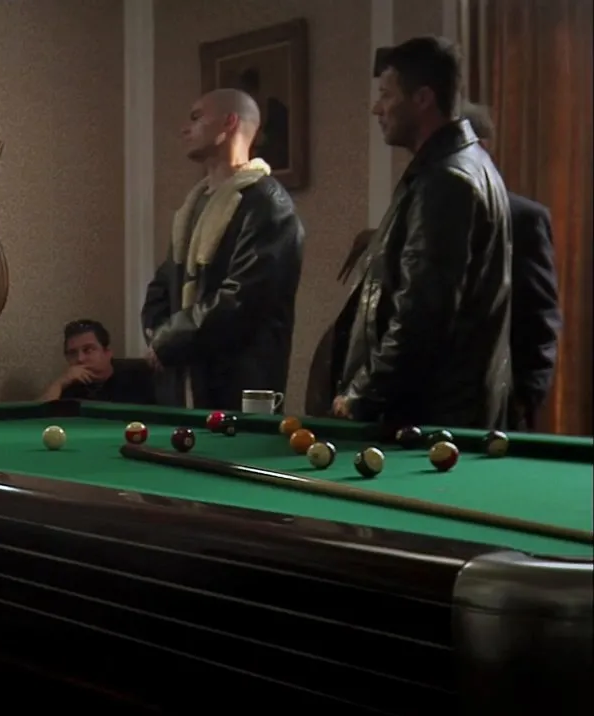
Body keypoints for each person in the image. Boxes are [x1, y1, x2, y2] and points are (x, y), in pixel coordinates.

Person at [331, 37, 511, 429]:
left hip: (429, 421)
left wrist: (363, 394)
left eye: (386, 95)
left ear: (423, 98)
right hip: (441, 415)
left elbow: (422, 311)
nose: (377, 108)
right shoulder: (463, 166)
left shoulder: (447, 179)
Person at [140, 88, 304, 411]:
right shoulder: (193, 207)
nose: (185, 128)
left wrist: (170, 340)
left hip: (239, 387)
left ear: (229, 123)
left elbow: (242, 298)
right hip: (185, 383)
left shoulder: (268, 204)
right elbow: (163, 286)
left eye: (196, 117)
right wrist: (158, 336)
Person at [460, 102, 562, 431]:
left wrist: (524, 398)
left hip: (498, 405)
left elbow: (539, 319)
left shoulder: (523, 218)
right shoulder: (423, 215)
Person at [39, 320, 156, 404]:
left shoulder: (138, 376)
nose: (80, 359)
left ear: (107, 353)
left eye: (88, 350)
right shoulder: (70, 385)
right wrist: (60, 383)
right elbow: (38, 417)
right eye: (72, 353)